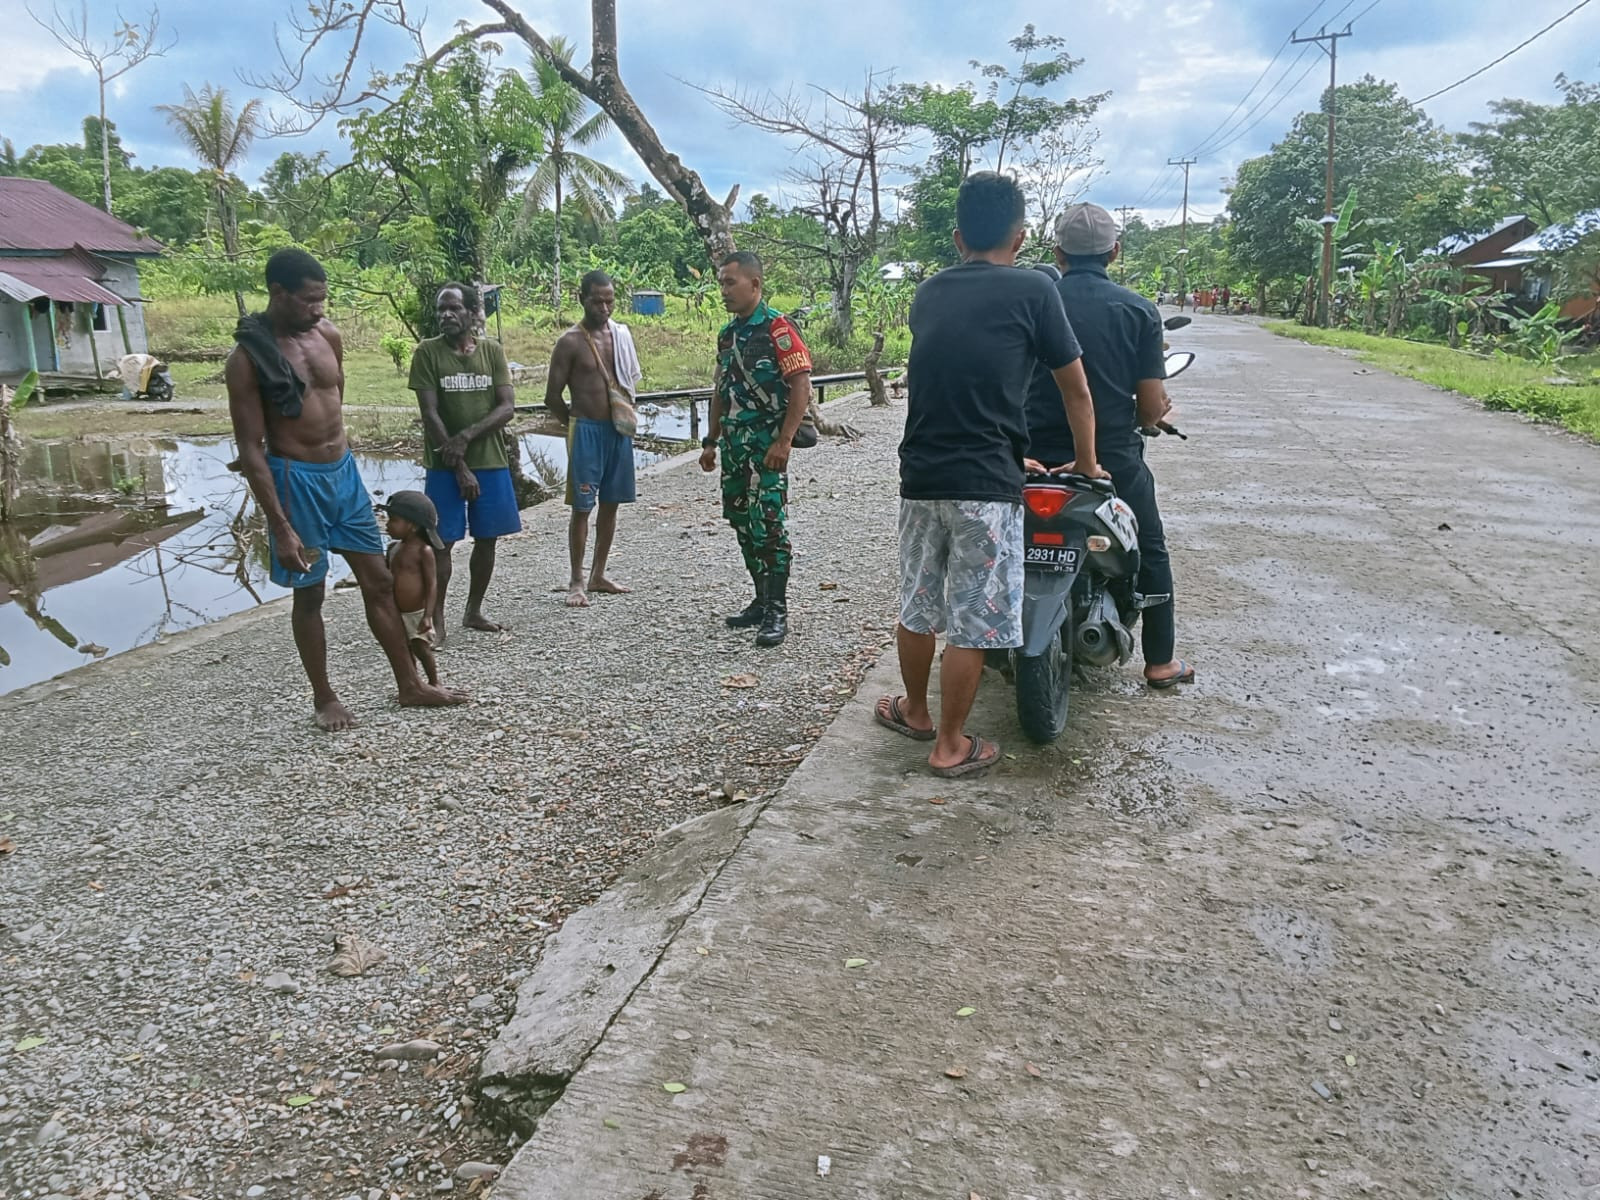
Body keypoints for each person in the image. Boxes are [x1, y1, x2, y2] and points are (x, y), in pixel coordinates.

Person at [875, 172, 1104, 778]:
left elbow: (957, 376)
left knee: (919, 603)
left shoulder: (927, 293)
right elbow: (1076, 393)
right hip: (985, 486)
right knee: (972, 620)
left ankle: (916, 712)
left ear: (956, 237)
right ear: (1021, 237)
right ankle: (950, 744)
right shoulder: (1035, 290)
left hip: (922, 474)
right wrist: (1086, 465)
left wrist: (1009, 450)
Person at [225, 248, 464, 729]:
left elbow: (334, 402)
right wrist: (280, 524)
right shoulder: (247, 360)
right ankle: (325, 698)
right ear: (277, 293)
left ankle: (410, 685)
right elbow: (250, 448)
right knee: (310, 592)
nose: (318, 310)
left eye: (323, 300)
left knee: (378, 580)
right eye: (309, 301)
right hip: (296, 481)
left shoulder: (327, 335)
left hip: (344, 474)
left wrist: (338, 456)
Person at [1024, 202, 1194, 688]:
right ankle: (1160, 662)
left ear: (1057, 252)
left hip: (1031, 457)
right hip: (1110, 461)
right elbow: (1148, 407)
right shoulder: (1139, 310)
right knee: (1152, 548)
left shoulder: (1035, 303)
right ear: (1114, 252)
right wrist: (1156, 414)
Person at [698, 250, 813, 648]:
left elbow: (801, 386)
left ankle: (777, 610)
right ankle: (761, 600)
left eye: (730, 282)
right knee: (740, 519)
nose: (724, 290)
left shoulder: (779, 328)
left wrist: (784, 441)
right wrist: (710, 441)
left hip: (766, 449)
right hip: (733, 447)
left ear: (755, 285)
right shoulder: (728, 334)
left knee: (769, 525)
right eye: (721, 283)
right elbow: (721, 390)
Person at [409, 282, 520, 637]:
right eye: (441, 309)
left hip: (489, 461)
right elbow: (429, 412)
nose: (446, 315)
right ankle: (435, 616)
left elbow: (506, 407)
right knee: (442, 542)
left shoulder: (491, 352)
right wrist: (457, 464)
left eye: (454, 308)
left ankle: (473, 610)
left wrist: (466, 437)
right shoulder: (428, 353)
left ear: (473, 314)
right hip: (444, 464)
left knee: (487, 539)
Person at [544, 269, 644, 607]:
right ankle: (576, 579)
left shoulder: (620, 336)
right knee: (582, 508)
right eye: (597, 300)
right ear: (581, 298)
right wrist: (574, 425)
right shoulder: (570, 342)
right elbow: (552, 396)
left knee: (612, 504)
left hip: (617, 430)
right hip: (586, 429)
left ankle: (599, 574)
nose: (604, 307)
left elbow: (630, 382)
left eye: (609, 300)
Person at [380, 489, 446, 686]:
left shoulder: (423, 551)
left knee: (420, 647)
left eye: (393, 520)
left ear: (413, 525)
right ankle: (413, 681)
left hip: (415, 612)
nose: (387, 525)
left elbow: (432, 584)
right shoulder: (394, 548)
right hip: (395, 610)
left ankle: (434, 681)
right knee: (403, 648)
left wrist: (428, 615)